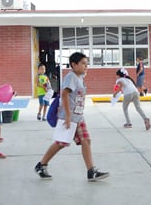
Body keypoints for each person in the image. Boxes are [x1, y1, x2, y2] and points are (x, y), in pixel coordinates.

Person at [34, 52, 109, 181]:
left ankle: (91, 171)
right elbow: (64, 94)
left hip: (78, 117)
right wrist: (68, 116)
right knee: (61, 143)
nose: (86, 66)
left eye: (87, 63)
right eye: (83, 63)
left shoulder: (80, 77)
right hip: (68, 117)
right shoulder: (71, 77)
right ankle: (41, 165)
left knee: (86, 140)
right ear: (73, 65)